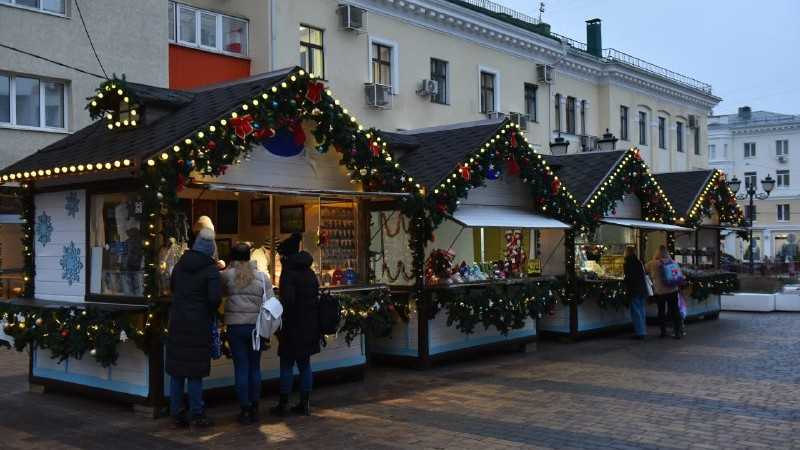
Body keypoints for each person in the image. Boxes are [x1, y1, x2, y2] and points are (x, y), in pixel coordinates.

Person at [166, 227, 222, 428]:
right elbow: (215, 298)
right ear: (210, 249)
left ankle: (176, 413)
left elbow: (172, 288)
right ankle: (196, 413)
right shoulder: (210, 269)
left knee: (177, 372)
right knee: (195, 373)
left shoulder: (180, 266)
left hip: (178, 322)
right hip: (199, 324)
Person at [221, 242, 274, 425]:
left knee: (241, 368)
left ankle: (244, 409)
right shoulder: (262, 276)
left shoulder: (227, 275)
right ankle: (255, 406)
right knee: (255, 367)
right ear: (249, 256)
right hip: (256, 327)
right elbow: (271, 301)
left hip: (235, 327)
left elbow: (218, 293)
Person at [270, 233, 320, 417]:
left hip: (292, 325)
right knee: (305, 364)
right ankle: (305, 403)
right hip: (309, 323)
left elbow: (288, 300)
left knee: (286, 364)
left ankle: (284, 403)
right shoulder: (309, 271)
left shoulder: (288, 273)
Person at [646, 245, 683, 339]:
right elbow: (678, 275)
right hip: (673, 289)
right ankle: (678, 331)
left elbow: (644, 270)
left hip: (660, 291)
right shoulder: (673, 262)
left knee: (661, 311)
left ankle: (663, 331)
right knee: (675, 310)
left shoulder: (653, 263)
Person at [623, 246, 649, 340]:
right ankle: (642, 330)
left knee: (636, 311)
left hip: (634, 289)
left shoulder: (627, 263)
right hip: (642, 289)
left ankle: (640, 332)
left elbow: (628, 278)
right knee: (641, 310)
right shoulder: (638, 262)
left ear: (627, 253)